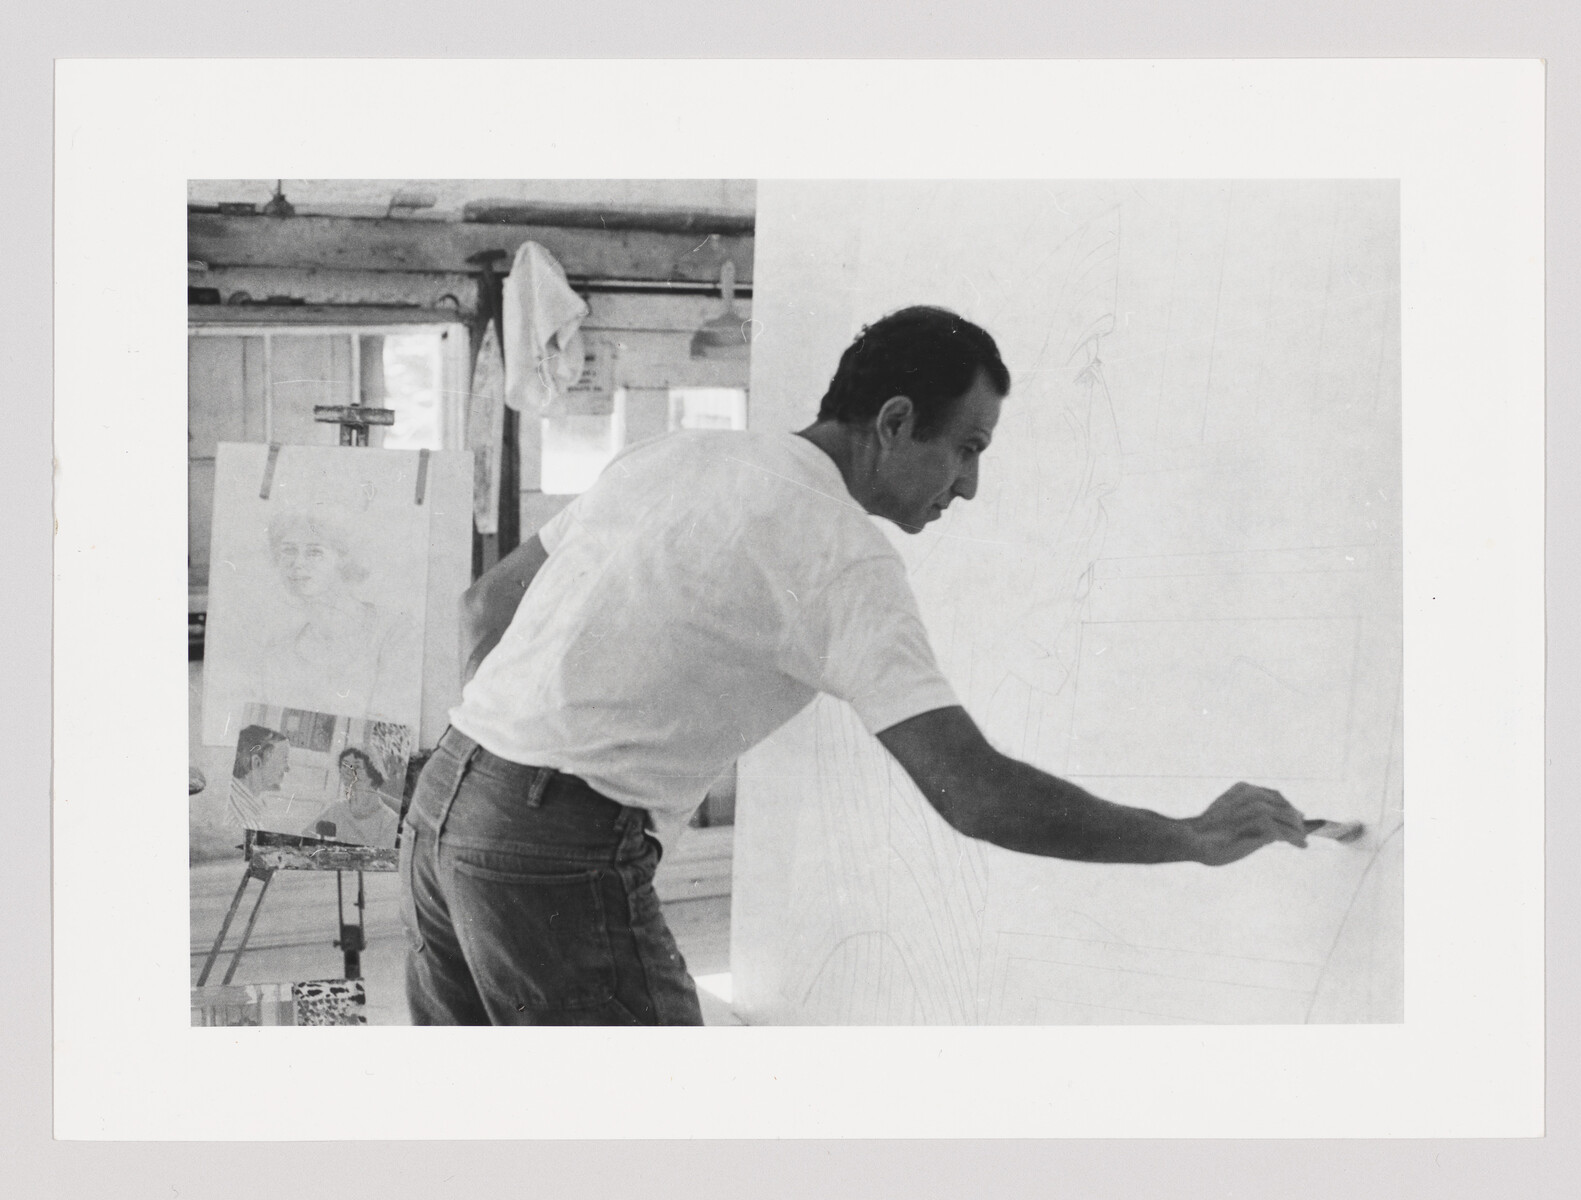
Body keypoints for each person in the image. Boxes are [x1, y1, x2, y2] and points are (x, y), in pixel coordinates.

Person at [400, 305, 1308, 1027]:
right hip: (551, 844)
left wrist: (500, 766)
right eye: (968, 449)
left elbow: (486, 607)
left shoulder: (681, 454)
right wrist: (1186, 838)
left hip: (443, 805)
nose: (970, 486)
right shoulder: (840, 551)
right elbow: (977, 797)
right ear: (895, 421)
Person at [258, 507, 420, 723]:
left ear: (344, 558)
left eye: (314, 551)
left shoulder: (393, 631)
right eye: (288, 550)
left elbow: (390, 730)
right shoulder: (279, 652)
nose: (297, 563)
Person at [305, 747, 401, 847]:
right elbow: (306, 838)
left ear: (374, 772)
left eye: (358, 766)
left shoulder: (388, 821)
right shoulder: (337, 809)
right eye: (345, 766)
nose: (349, 772)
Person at [228, 724, 290, 829]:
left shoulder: (249, 801)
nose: (287, 768)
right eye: (283, 760)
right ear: (257, 763)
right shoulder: (243, 823)